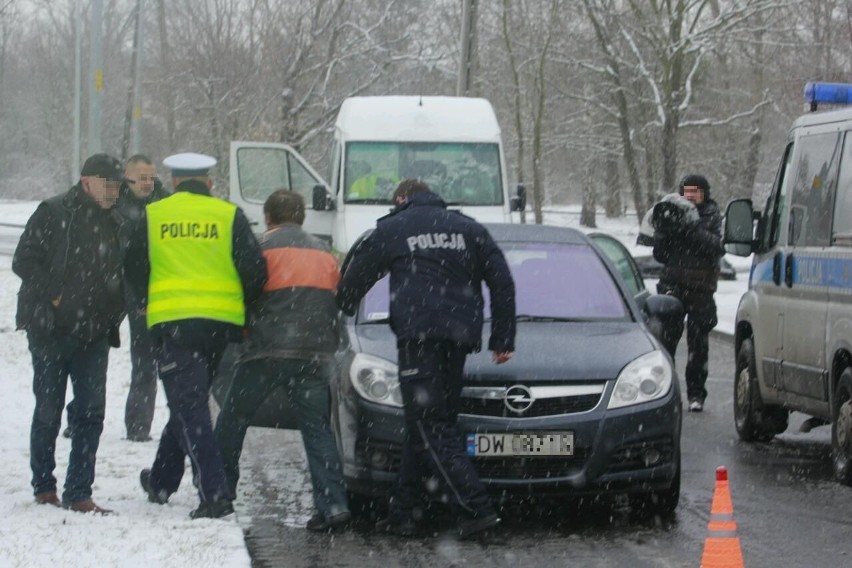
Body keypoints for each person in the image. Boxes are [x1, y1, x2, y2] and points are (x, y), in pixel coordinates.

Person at [337, 179, 516, 539]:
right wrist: (502, 336)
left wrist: (343, 302)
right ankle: (403, 513)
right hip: (459, 338)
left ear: (401, 198)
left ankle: (477, 512)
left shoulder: (393, 228)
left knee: (431, 426)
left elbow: (357, 274)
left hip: (419, 338)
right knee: (428, 424)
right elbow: (501, 279)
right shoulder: (468, 228)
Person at [124, 152, 267, 519]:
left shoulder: (155, 215)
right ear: (209, 182)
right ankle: (160, 481)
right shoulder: (228, 214)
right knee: (189, 402)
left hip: (174, 324)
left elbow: (133, 266)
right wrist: (241, 304)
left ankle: (215, 493)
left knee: (190, 407)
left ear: (172, 182)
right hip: (219, 326)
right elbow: (255, 270)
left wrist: (144, 302)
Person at [214, 189, 350, 532]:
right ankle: (333, 504)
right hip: (315, 354)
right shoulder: (325, 254)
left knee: (233, 420)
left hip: (265, 351)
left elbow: (242, 293)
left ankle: (220, 491)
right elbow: (338, 302)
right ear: (302, 217)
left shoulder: (259, 248)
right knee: (317, 430)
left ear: (269, 217)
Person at [13, 153, 127, 514]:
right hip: (51, 329)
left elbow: (120, 273)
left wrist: (116, 309)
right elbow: (23, 260)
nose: (113, 192)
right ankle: (44, 485)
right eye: (108, 184)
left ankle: (80, 492)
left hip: (94, 333)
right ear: (86, 181)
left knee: (91, 411)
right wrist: (54, 292)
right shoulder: (54, 212)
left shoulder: (117, 221)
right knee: (49, 409)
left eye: (117, 186)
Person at [652, 174, 723, 413]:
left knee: (698, 344)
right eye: (687, 191)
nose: (691, 195)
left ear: (705, 193)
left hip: (701, 290)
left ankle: (696, 394)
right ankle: (664, 392)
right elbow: (660, 255)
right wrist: (665, 231)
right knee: (665, 341)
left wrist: (691, 229)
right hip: (672, 285)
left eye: (696, 191)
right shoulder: (670, 212)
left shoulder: (713, 216)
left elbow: (715, 247)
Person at [115, 154, 170, 442]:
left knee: (144, 358)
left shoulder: (164, 202)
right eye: (142, 178)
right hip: (110, 282)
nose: (148, 183)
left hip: (146, 286)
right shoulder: (113, 202)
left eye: (151, 177)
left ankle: (138, 424)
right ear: (127, 177)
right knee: (90, 352)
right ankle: (81, 415)